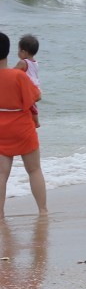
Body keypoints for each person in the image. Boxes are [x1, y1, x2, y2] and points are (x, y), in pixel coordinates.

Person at [0, 32, 46, 218]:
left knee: (1, 175)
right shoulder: (18, 75)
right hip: (22, 127)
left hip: (1, 129)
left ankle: (0, 215)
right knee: (34, 170)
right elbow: (37, 96)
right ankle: (42, 211)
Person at [14, 34, 40, 128]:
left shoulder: (23, 62)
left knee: (31, 106)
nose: (18, 53)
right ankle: (34, 121)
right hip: (35, 87)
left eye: (19, 50)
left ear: (24, 52)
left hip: (29, 87)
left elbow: (13, 72)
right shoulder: (35, 62)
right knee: (33, 105)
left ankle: (36, 122)